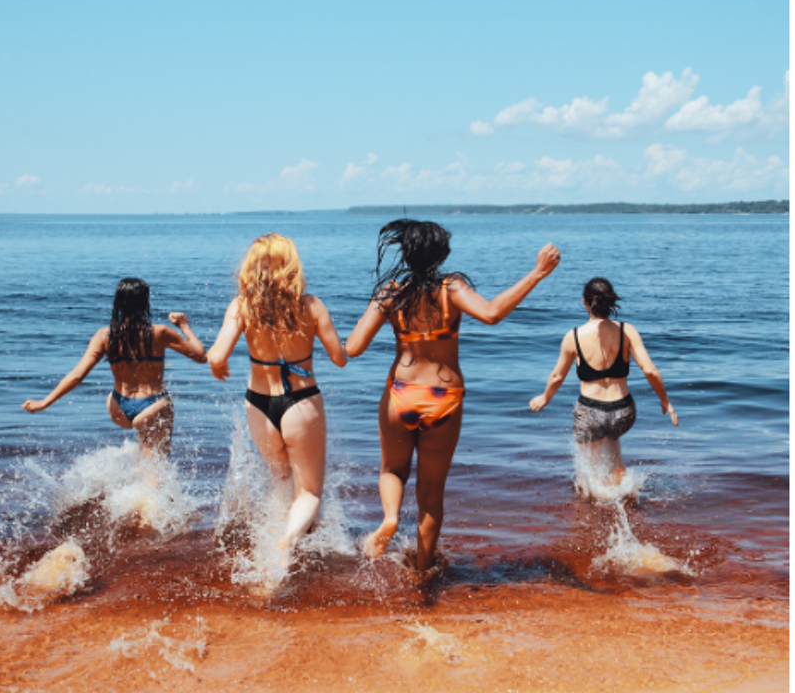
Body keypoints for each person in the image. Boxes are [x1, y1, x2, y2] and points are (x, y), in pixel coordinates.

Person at [344, 218, 560, 571]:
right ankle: (423, 571)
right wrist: (536, 273)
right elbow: (491, 314)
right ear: (440, 253)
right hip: (444, 397)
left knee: (393, 471)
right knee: (431, 493)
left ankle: (389, 519)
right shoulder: (452, 288)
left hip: (401, 395)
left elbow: (353, 348)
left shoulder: (391, 291)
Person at [206, 234, 347, 556]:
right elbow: (339, 358)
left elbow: (216, 356)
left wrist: (218, 368)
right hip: (301, 403)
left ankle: (275, 539)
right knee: (309, 491)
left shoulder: (242, 306)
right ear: (292, 266)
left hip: (259, 405)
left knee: (280, 474)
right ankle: (290, 540)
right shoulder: (311, 306)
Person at [22, 277, 206, 461]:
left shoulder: (104, 335)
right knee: (156, 470)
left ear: (118, 303)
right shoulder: (160, 332)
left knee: (145, 451)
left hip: (118, 406)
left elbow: (77, 375)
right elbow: (201, 356)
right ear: (145, 302)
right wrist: (184, 326)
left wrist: (43, 403)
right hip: (152, 405)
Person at [528, 277, 678, 496]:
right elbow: (651, 371)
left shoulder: (574, 337)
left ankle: (601, 507)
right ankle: (627, 493)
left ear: (584, 302)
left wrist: (545, 398)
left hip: (591, 411)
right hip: (623, 413)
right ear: (610, 303)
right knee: (613, 446)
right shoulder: (628, 331)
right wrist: (665, 400)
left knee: (587, 472)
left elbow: (557, 376)